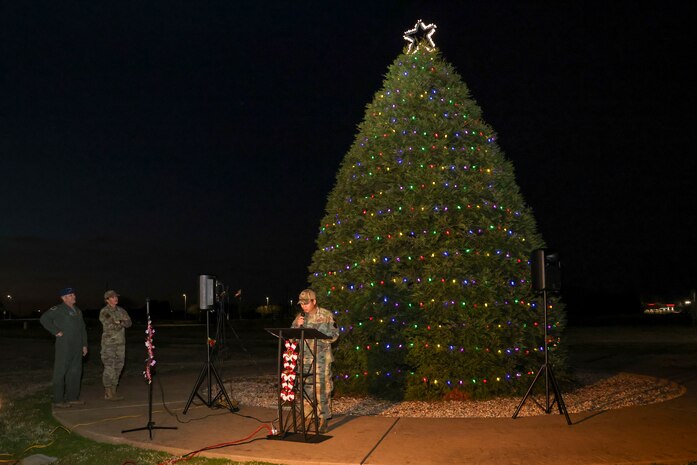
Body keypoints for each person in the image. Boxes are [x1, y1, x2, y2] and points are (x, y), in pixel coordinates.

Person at [291, 288, 339, 433]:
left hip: (321, 360)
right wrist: (296, 326)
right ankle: (307, 418)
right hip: (304, 360)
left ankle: (323, 418)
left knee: (322, 390)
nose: (303, 306)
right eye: (301, 303)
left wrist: (321, 333)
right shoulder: (300, 317)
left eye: (306, 303)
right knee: (306, 390)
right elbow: (291, 338)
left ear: (314, 301)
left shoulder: (326, 315)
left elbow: (335, 335)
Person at [39, 287, 88, 408]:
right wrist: (56, 331)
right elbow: (44, 319)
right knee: (60, 372)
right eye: (71, 295)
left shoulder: (78, 311)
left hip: (77, 346)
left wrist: (84, 344)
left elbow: (82, 329)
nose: (74, 296)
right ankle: (58, 400)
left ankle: (72, 398)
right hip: (64, 345)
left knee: (75, 372)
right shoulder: (58, 309)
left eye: (73, 294)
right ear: (64, 298)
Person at [99, 290, 132, 400]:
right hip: (109, 344)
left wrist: (119, 322)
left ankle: (114, 390)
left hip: (120, 343)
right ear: (107, 299)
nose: (115, 298)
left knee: (119, 366)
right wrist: (121, 322)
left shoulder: (121, 310)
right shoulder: (104, 311)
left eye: (116, 297)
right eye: (112, 297)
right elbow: (111, 325)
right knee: (109, 367)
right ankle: (108, 391)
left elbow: (129, 323)